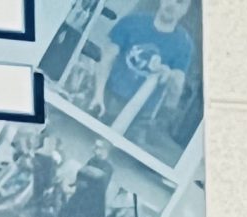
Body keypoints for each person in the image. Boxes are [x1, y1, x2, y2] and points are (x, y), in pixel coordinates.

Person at [83, 0, 196, 134]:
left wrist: (168, 73)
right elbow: (106, 57)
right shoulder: (131, 22)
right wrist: (98, 94)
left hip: (141, 116)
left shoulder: (184, 44)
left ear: (185, 9)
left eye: (179, 2)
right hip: (108, 97)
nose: (172, 4)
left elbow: (177, 83)